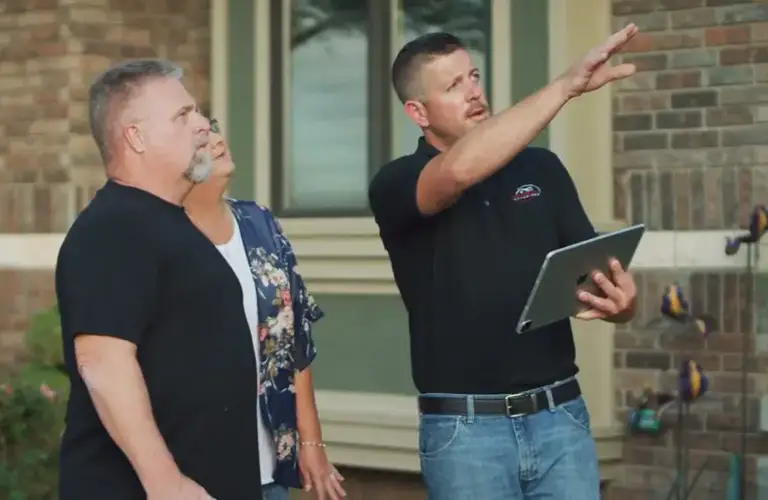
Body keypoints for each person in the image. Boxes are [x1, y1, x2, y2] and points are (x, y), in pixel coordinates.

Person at [368, 26, 641, 500]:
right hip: (465, 433)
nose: (474, 91)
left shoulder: (543, 170)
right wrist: (565, 86)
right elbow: (457, 171)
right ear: (418, 112)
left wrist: (622, 304)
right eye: (453, 86)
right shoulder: (397, 182)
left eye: (473, 76)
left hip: (561, 419)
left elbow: (590, 277)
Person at [56, 60, 263, 499]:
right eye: (182, 115)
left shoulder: (168, 224)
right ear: (136, 136)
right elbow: (103, 364)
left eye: (198, 113)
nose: (203, 125)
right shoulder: (113, 228)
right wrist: (167, 484)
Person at [182, 118, 347, 500]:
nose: (219, 141)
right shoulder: (161, 232)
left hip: (268, 467)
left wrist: (312, 444)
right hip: (192, 471)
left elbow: (296, 340)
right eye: (202, 138)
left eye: (216, 129)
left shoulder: (259, 222)